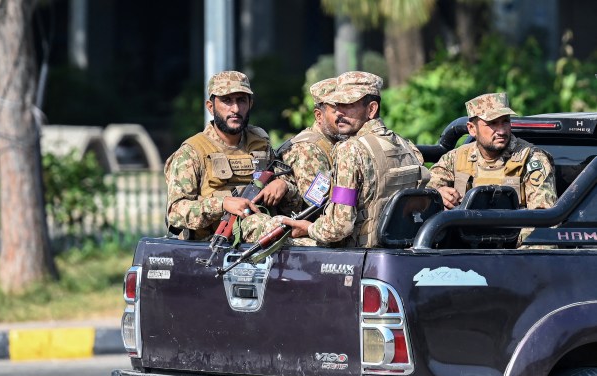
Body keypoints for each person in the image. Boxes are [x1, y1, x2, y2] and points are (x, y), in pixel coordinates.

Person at [276, 71, 426, 247]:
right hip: (403, 249)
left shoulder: (350, 149)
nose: (339, 112)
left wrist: (308, 228)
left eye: (348, 105)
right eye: (337, 105)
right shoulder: (404, 144)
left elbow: (339, 226)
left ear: (371, 109)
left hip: (360, 255)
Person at [164, 70, 301, 242]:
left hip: (264, 237)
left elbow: (293, 198)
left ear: (250, 104)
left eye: (241, 100)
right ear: (210, 106)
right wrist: (222, 204)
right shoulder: (192, 152)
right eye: (227, 101)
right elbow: (175, 213)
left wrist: (283, 186)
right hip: (214, 244)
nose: (235, 109)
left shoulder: (260, 144)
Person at [426, 92, 556, 210]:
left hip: (514, 235)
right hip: (463, 234)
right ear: (472, 129)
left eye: (505, 121)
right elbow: (424, 194)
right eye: (492, 123)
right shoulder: (455, 158)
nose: (502, 131)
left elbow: (542, 218)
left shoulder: (532, 158)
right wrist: (437, 194)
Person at [279, 77, 348, 214]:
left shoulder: (335, 141)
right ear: (319, 116)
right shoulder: (308, 149)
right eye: (336, 111)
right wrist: (354, 193)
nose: (344, 116)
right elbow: (318, 202)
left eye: (347, 108)